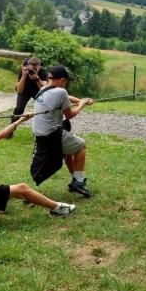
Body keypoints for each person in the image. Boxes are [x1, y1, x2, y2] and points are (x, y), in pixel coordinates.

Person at [30, 65, 94, 197]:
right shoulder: (61, 92)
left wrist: (81, 100)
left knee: (69, 149)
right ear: (61, 80)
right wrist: (81, 104)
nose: (66, 84)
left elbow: (66, 97)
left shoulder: (43, 89)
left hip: (40, 135)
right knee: (81, 145)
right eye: (66, 81)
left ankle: (74, 180)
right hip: (51, 135)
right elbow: (70, 115)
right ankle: (79, 182)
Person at [6, 57, 49, 138]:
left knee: (44, 108)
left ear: (39, 66)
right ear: (28, 66)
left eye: (35, 69)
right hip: (25, 91)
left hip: (37, 91)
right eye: (31, 68)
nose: (33, 70)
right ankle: (10, 131)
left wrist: (37, 79)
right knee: (19, 109)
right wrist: (24, 76)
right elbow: (19, 90)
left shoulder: (42, 71)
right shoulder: (23, 71)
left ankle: (44, 131)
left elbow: (45, 89)